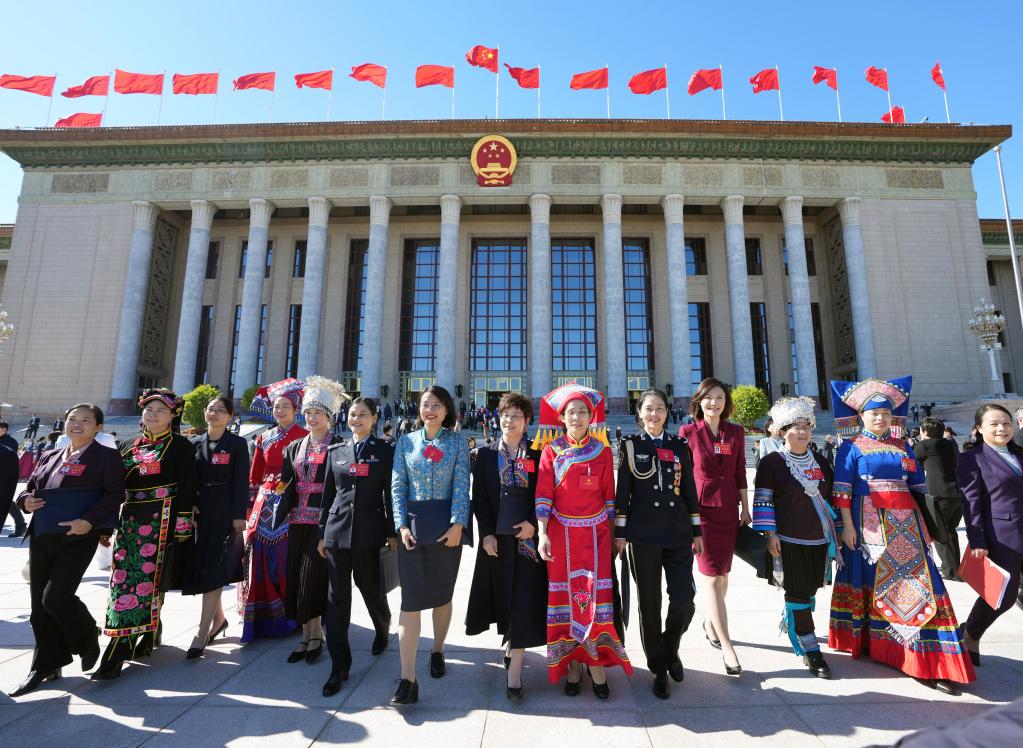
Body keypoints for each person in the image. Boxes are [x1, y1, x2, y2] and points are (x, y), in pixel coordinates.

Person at [828, 376, 975, 694]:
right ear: (861, 416)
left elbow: (918, 487)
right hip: (868, 527)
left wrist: (928, 527)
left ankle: (925, 657)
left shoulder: (903, 446)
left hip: (907, 526)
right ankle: (879, 643)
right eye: (874, 413)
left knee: (920, 585)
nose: (880, 418)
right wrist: (847, 527)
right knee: (876, 583)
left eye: (885, 413)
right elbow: (842, 492)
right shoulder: (850, 448)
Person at [8, 404, 124, 696]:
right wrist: (25, 501)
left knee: (55, 598)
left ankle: (87, 637)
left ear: (98, 427)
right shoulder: (51, 455)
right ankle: (45, 664)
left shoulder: (106, 456)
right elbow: (29, 487)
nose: (77, 424)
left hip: (78, 536)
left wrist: (89, 521)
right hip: (43, 534)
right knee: (39, 606)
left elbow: (115, 495)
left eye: (86, 420)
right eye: (73, 419)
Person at [534, 383, 632, 698]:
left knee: (594, 598)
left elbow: (609, 499)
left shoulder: (602, 451)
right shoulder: (551, 451)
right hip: (560, 535)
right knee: (565, 600)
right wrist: (542, 533)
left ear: (591, 417)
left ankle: (595, 662)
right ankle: (573, 663)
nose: (576, 417)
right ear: (561, 418)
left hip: (596, 536)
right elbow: (543, 495)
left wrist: (615, 536)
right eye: (571, 413)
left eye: (582, 412)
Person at [93, 389, 197, 680]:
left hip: (163, 518)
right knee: (122, 579)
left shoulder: (181, 446)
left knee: (151, 580)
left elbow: (188, 486)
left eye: (160, 410)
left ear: (173, 416)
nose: (153, 414)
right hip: (130, 521)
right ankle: (142, 630)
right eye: (149, 409)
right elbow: (113, 490)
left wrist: (182, 524)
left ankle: (121, 646)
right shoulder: (127, 446)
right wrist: (105, 525)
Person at [615, 388, 702, 699]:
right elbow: (622, 493)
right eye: (648, 408)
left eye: (660, 408)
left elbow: (689, 488)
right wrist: (620, 534)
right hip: (643, 535)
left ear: (667, 412)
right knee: (649, 605)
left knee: (684, 600)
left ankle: (670, 646)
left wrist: (697, 530)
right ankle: (658, 668)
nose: (654, 414)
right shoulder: (630, 445)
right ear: (639, 412)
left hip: (677, 531)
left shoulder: (680, 445)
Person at [389, 385, 471, 705]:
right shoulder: (406, 442)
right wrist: (400, 526)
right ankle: (407, 678)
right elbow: (398, 485)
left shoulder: (457, 442)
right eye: (425, 404)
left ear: (447, 409)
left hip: (446, 530)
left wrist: (458, 524)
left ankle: (437, 649)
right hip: (413, 529)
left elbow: (462, 484)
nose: (430, 410)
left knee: (441, 595)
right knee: (410, 601)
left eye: (437, 405)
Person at [466, 392, 547, 702]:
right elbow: (480, 500)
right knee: (503, 595)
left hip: (527, 540)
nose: (509, 421)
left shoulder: (539, 454)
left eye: (516, 416)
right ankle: (511, 641)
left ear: (527, 421)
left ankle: (514, 672)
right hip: (497, 541)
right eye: (505, 415)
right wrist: (486, 534)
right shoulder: (485, 456)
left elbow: (545, 495)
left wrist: (533, 523)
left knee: (524, 598)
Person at [753, 397, 839, 679]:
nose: (803, 432)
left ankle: (793, 617)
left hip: (818, 538)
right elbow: (763, 500)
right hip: (788, 539)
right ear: (782, 431)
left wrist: (839, 531)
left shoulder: (821, 462)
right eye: (796, 427)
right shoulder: (772, 463)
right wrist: (770, 534)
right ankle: (810, 647)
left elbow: (832, 498)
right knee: (798, 590)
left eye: (806, 427)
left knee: (810, 590)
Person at [318, 397, 397, 697]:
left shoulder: (385, 450)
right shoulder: (336, 451)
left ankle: (382, 626)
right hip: (337, 533)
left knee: (371, 588)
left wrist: (392, 531)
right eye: (352, 414)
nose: (356, 419)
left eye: (363, 415)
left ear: (374, 418)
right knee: (336, 599)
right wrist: (321, 534)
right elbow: (327, 496)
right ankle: (339, 665)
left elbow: (390, 493)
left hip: (368, 532)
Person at [679, 377, 750, 676]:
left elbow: (739, 470)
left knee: (723, 575)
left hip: (728, 510)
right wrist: (685, 514)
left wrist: (745, 506)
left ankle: (710, 623)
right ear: (699, 401)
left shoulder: (736, 432)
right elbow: (682, 476)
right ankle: (727, 645)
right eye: (708, 397)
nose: (714, 403)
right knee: (709, 577)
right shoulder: (688, 432)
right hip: (701, 512)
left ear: (726, 402)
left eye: (719, 397)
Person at [279, 377, 347, 665]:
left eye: (318, 412)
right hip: (297, 520)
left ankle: (316, 633)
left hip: (323, 522)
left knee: (314, 578)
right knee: (297, 576)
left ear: (329, 416)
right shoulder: (295, 446)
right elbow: (286, 481)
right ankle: (306, 634)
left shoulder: (339, 446)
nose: (312, 418)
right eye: (308, 412)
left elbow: (342, 488)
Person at [239, 378, 308, 642]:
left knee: (286, 558)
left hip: (291, 501)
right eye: (277, 407)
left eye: (285, 406)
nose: (280, 411)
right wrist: (249, 511)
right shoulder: (264, 437)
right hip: (265, 502)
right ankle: (263, 616)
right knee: (260, 557)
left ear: (295, 409)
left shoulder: (304, 436)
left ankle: (291, 613)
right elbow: (255, 476)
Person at [182, 396, 251, 659]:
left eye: (221, 410)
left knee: (215, 567)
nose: (214, 414)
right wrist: (189, 505)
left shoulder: (237, 444)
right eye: (211, 409)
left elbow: (241, 481)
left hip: (225, 511)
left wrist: (238, 515)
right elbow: (188, 480)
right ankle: (219, 619)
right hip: (201, 512)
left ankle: (201, 633)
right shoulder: (194, 443)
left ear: (230, 416)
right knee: (206, 568)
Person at [957, 404, 1023, 666]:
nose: (1001, 428)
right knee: (1003, 596)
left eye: (1006, 423)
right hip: (1002, 536)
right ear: (979, 428)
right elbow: (971, 503)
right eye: (994, 424)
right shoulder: (973, 458)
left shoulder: (1019, 454)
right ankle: (970, 634)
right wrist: (977, 539)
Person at [913, 417, 963, 580]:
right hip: (956, 493)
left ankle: (950, 571)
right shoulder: (949, 444)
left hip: (940, 494)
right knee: (950, 532)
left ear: (925, 431)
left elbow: (910, 461)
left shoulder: (924, 445)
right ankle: (957, 571)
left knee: (940, 533)